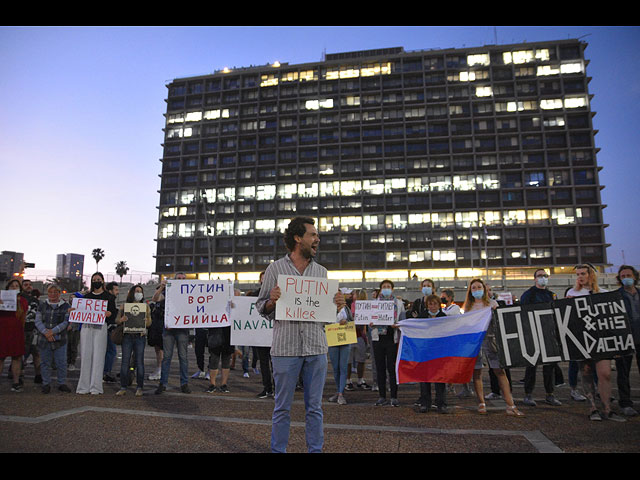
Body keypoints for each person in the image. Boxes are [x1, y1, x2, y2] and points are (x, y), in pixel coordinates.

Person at [256, 216, 347, 453]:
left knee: (314, 408)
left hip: (316, 349)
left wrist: (337, 306)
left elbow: (326, 316)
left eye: (317, 235)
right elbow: (260, 307)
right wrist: (271, 302)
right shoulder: (275, 269)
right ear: (298, 238)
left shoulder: (322, 273)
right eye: (313, 235)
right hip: (285, 350)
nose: (317, 239)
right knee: (282, 407)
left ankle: (315, 450)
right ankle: (278, 451)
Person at [566, 263, 625, 421]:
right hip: (581, 339)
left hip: (600, 339)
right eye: (578, 274)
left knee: (604, 373)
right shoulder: (572, 293)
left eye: (583, 273)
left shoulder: (604, 293)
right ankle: (592, 408)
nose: (580, 277)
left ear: (591, 275)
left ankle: (607, 408)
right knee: (586, 372)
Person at [464, 278, 524, 417]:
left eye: (479, 287)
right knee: (477, 372)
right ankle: (481, 402)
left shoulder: (492, 303)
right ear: (470, 291)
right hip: (475, 342)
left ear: (484, 289)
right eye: (474, 288)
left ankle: (510, 404)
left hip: (491, 341)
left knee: (499, 371)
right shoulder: (468, 307)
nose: (477, 290)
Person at [519, 269, 562, 407]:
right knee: (531, 365)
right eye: (540, 276)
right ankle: (528, 394)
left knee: (550, 366)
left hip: (549, 334)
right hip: (533, 333)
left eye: (545, 276)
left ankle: (550, 394)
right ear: (535, 279)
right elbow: (523, 314)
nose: (543, 278)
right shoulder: (528, 295)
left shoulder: (551, 295)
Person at [76, 272, 117, 395]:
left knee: (99, 356)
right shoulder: (86, 297)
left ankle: (96, 386)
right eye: (94, 279)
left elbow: (113, 313)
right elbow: (81, 310)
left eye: (98, 279)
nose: (96, 281)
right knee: (85, 355)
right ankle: (84, 386)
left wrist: (109, 314)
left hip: (101, 327)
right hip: (87, 327)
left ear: (103, 281)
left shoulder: (109, 297)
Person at [370, 279, 405, 407]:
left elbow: (403, 320)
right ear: (380, 289)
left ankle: (394, 396)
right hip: (378, 338)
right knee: (380, 368)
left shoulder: (399, 303)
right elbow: (368, 319)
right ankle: (382, 396)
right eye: (384, 287)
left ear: (392, 289)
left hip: (392, 338)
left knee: (392, 368)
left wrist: (398, 325)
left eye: (388, 286)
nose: (386, 288)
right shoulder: (374, 303)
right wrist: (370, 323)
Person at [155, 272, 191, 394]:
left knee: (183, 357)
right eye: (178, 278)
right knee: (167, 357)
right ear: (174, 280)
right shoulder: (168, 291)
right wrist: (161, 287)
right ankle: (163, 383)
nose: (181, 280)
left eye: (183, 279)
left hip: (182, 329)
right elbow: (155, 299)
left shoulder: (190, 293)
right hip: (169, 328)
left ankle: (184, 383)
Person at [415, 294, 449, 414]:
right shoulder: (422, 316)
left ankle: (441, 403)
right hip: (425, 351)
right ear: (427, 305)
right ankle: (425, 403)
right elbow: (414, 327)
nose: (433, 306)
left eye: (435, 303)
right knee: (425, 378)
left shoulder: (443, 317)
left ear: (439, 305)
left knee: (440, 378)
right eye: (430, 304)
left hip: (439, 352)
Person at [34, 284, 71, 393]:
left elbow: (65, 322)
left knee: (61, 362)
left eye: (55, 292)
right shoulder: (42, 305)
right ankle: (46, 383)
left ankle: (61, 382)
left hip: (60, 339)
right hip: (44, 339)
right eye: (50, 292)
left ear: (59, 293)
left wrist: (52, 332)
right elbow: (38, 320)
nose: (53, 294)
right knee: (45, 362)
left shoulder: (65, 306)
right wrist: (46, 333)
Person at [115, 285, 151, 396]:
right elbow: (116, 320)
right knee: (125, 362)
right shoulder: (124, 306)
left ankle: (139, 387)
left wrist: (146, 321)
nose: (139, 293)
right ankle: (123, 386)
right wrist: (121, 319)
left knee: (139, 362)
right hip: (127, 336)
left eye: (140, 291)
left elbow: (150, 323)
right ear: (132, 293)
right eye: (137, 291)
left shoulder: (145, 307)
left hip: (140, 336)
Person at [615, 265, 640, 417]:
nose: (626, 278)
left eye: (628, 275)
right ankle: (625, 403)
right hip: (624, 338)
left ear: (635, 276)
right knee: (623, 372)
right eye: (623, 276)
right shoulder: (616, 296)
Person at [248, 273, 274, 398]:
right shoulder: (254, 294)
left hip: (274, 335)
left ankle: (276, 388)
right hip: (260, 335)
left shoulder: (277, 293)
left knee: (276, 364)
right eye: (263, 278)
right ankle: (267, 388)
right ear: (260, 280)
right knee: (263, 362)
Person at [205, 291, 237, 394]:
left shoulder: (232, 305)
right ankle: (212, 384)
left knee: (226, 362)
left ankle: (223, 384)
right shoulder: (213, 305)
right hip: (215, 336)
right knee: (213, 361)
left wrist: (234, 306)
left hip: (228, 337)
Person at [0, 278, 28, 392]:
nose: (14, 288)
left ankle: (16, 382)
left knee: (16, 357)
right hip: (2, 329)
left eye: (17, 286)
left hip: (16, 330)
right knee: (0, 357)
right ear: (7, 288)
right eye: (12, 286)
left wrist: (17, 302)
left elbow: (22, 315)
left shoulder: (22, 301)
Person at [345, 289, 371, 392]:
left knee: (359, 359)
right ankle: (349, 380)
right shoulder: (349, 305)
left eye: (354, 294)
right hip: (352, 334)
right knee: (350, 360)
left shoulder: (362, 306)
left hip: (359, 334)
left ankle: (357, 380)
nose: (352, 295)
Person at [327, 306, 353, 405]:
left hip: (345, 338)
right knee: (336, 368)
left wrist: (347, 322)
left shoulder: (346, 309)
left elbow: (352, 320)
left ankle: (341, 393)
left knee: (343, 367)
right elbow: (325, 322)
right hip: (333, 338)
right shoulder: (329, 308)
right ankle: (338, 391)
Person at [20, 279, 42, 386]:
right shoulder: (19, 299)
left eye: (30, 285)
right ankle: (19, 374)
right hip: (22, 330)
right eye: (25, 285)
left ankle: (38, 375)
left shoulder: (36, 301)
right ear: (22, 286)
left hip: (34, 330)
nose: (28, 286)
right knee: (21, 354)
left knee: (36, 353)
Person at [148, 280, 166, 381]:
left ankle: (160, 369)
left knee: (162, 349)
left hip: (166, 325)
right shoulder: (162, 295)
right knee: (158, 349)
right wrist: (161, 288)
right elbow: (155, 298)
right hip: (158, 325)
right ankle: (159, 369)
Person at [103, 281, 119, 384]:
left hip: (106, 328)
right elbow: (112, 315)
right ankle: (106, 372)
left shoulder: (108, 299)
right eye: (116, 290)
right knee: (111, 351)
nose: (117, 292)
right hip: (109, 328)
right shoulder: (110, 299)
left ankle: (105, 372)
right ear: (110, 290)